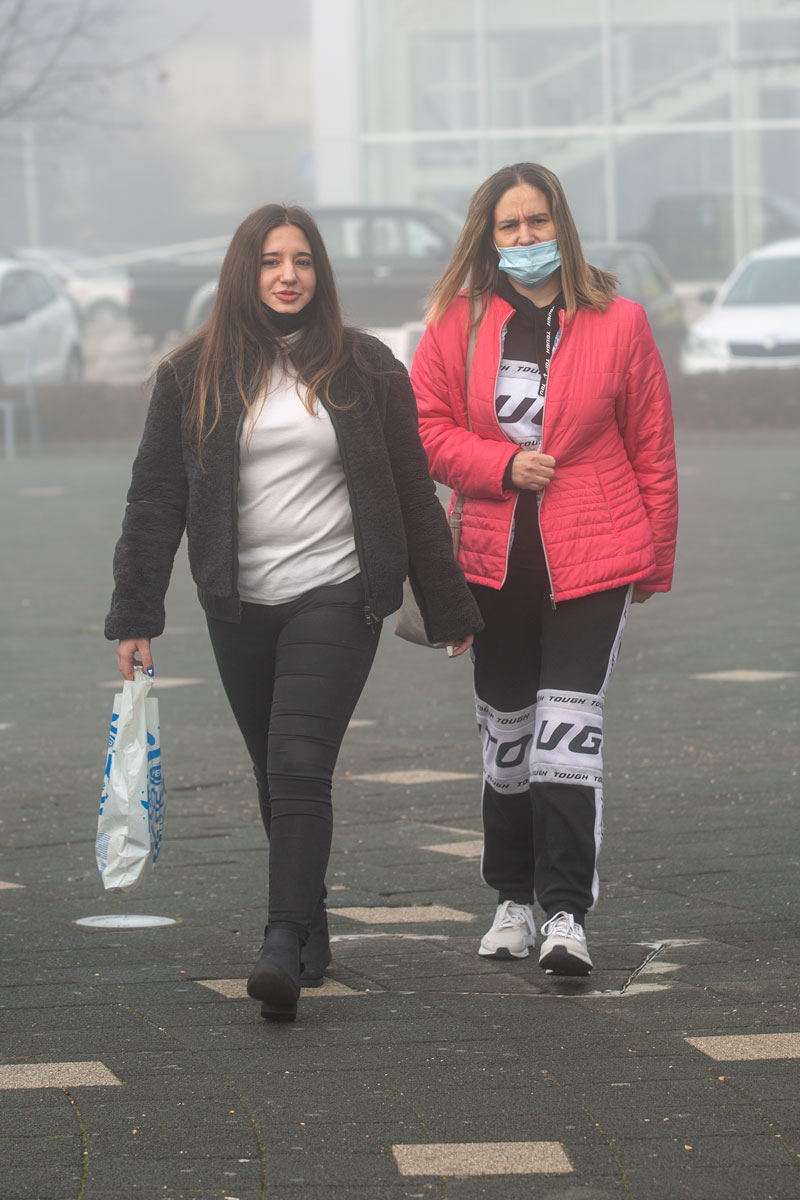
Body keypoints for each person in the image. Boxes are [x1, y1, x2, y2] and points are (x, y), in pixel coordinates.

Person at [105, 204, 482, 1021]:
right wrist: (135, 615)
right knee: (273, 771)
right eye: (272, 260)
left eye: (303, 260)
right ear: (244, 273)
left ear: (321, 273)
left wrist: (449, 604)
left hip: (339, 593)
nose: (288, 275)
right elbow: (155, 500)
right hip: (238, 605)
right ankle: (309, 924)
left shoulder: (366, 367)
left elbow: (411, 492)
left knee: (298, 763)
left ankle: (279, 941)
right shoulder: (190, 374)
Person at [410, 163, 678, 976]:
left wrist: (654, 563)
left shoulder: (620, 321)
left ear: (561, 224)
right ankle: (512, 902)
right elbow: (423, 429)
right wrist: (500, 465)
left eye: (537, 221)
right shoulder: (455, 324)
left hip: (595, 561)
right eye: (509, 226)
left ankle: (565, 914)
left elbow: (652, 445)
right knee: (509, 741)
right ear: (488, 237)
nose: (525, 237)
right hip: (491, 566)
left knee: (567, 738)